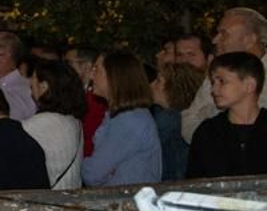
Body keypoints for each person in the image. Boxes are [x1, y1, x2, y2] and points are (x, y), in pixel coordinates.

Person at [183, 8, 267, 143]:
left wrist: (209, 112)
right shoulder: (218, 72)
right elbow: (188, 123)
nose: (215, 40)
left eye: (224, 34)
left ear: (249, 40)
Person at [82, 50, 163, 187]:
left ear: (114, 76)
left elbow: (91, 174)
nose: (91, 75)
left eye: (97, 70)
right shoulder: (121, 115)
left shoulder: (129, 120)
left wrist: (86, 164)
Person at [187, 52, 267, 179]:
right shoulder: (208, 132)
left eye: (222, 81)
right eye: (213, 82)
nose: (213, 89)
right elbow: (195, 184)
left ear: (249, 85)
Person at [24, 59, 85, 190]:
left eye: (33, 78)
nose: (29, 82)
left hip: (52, 201)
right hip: (71, 197)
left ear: (44, 86)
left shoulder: (38, 124)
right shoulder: (74, 121)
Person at [151, 61, 203, 180]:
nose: (153, 84)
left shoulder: (168, 120)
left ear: (172, 87)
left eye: (159, 81)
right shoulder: (182, 117)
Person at [64, 45, 107, 158]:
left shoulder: (97, 98)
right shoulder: (77, 91)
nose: (65, 68)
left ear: (87, 66)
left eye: (69, 63)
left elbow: (89, 137)